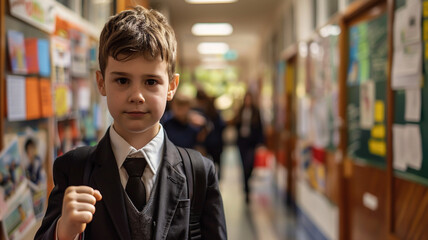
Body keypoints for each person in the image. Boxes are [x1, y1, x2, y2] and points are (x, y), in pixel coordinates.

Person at [35, 6, 226, 240]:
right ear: (101, 82)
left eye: (151, 81)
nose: (137, 96)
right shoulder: (73, 168)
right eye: (122, 80)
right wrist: (63, 232)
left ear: (172, 87)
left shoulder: (199, 172)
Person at [233, 91, 264, 203]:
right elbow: (236, 124)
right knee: (244, 165)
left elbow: (260, 128)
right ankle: (246, 190)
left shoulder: (256, 112)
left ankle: (248, 180)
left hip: (252, 142)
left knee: (250, 164)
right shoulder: (241, 111)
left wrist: (260, 142)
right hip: (242, 142)